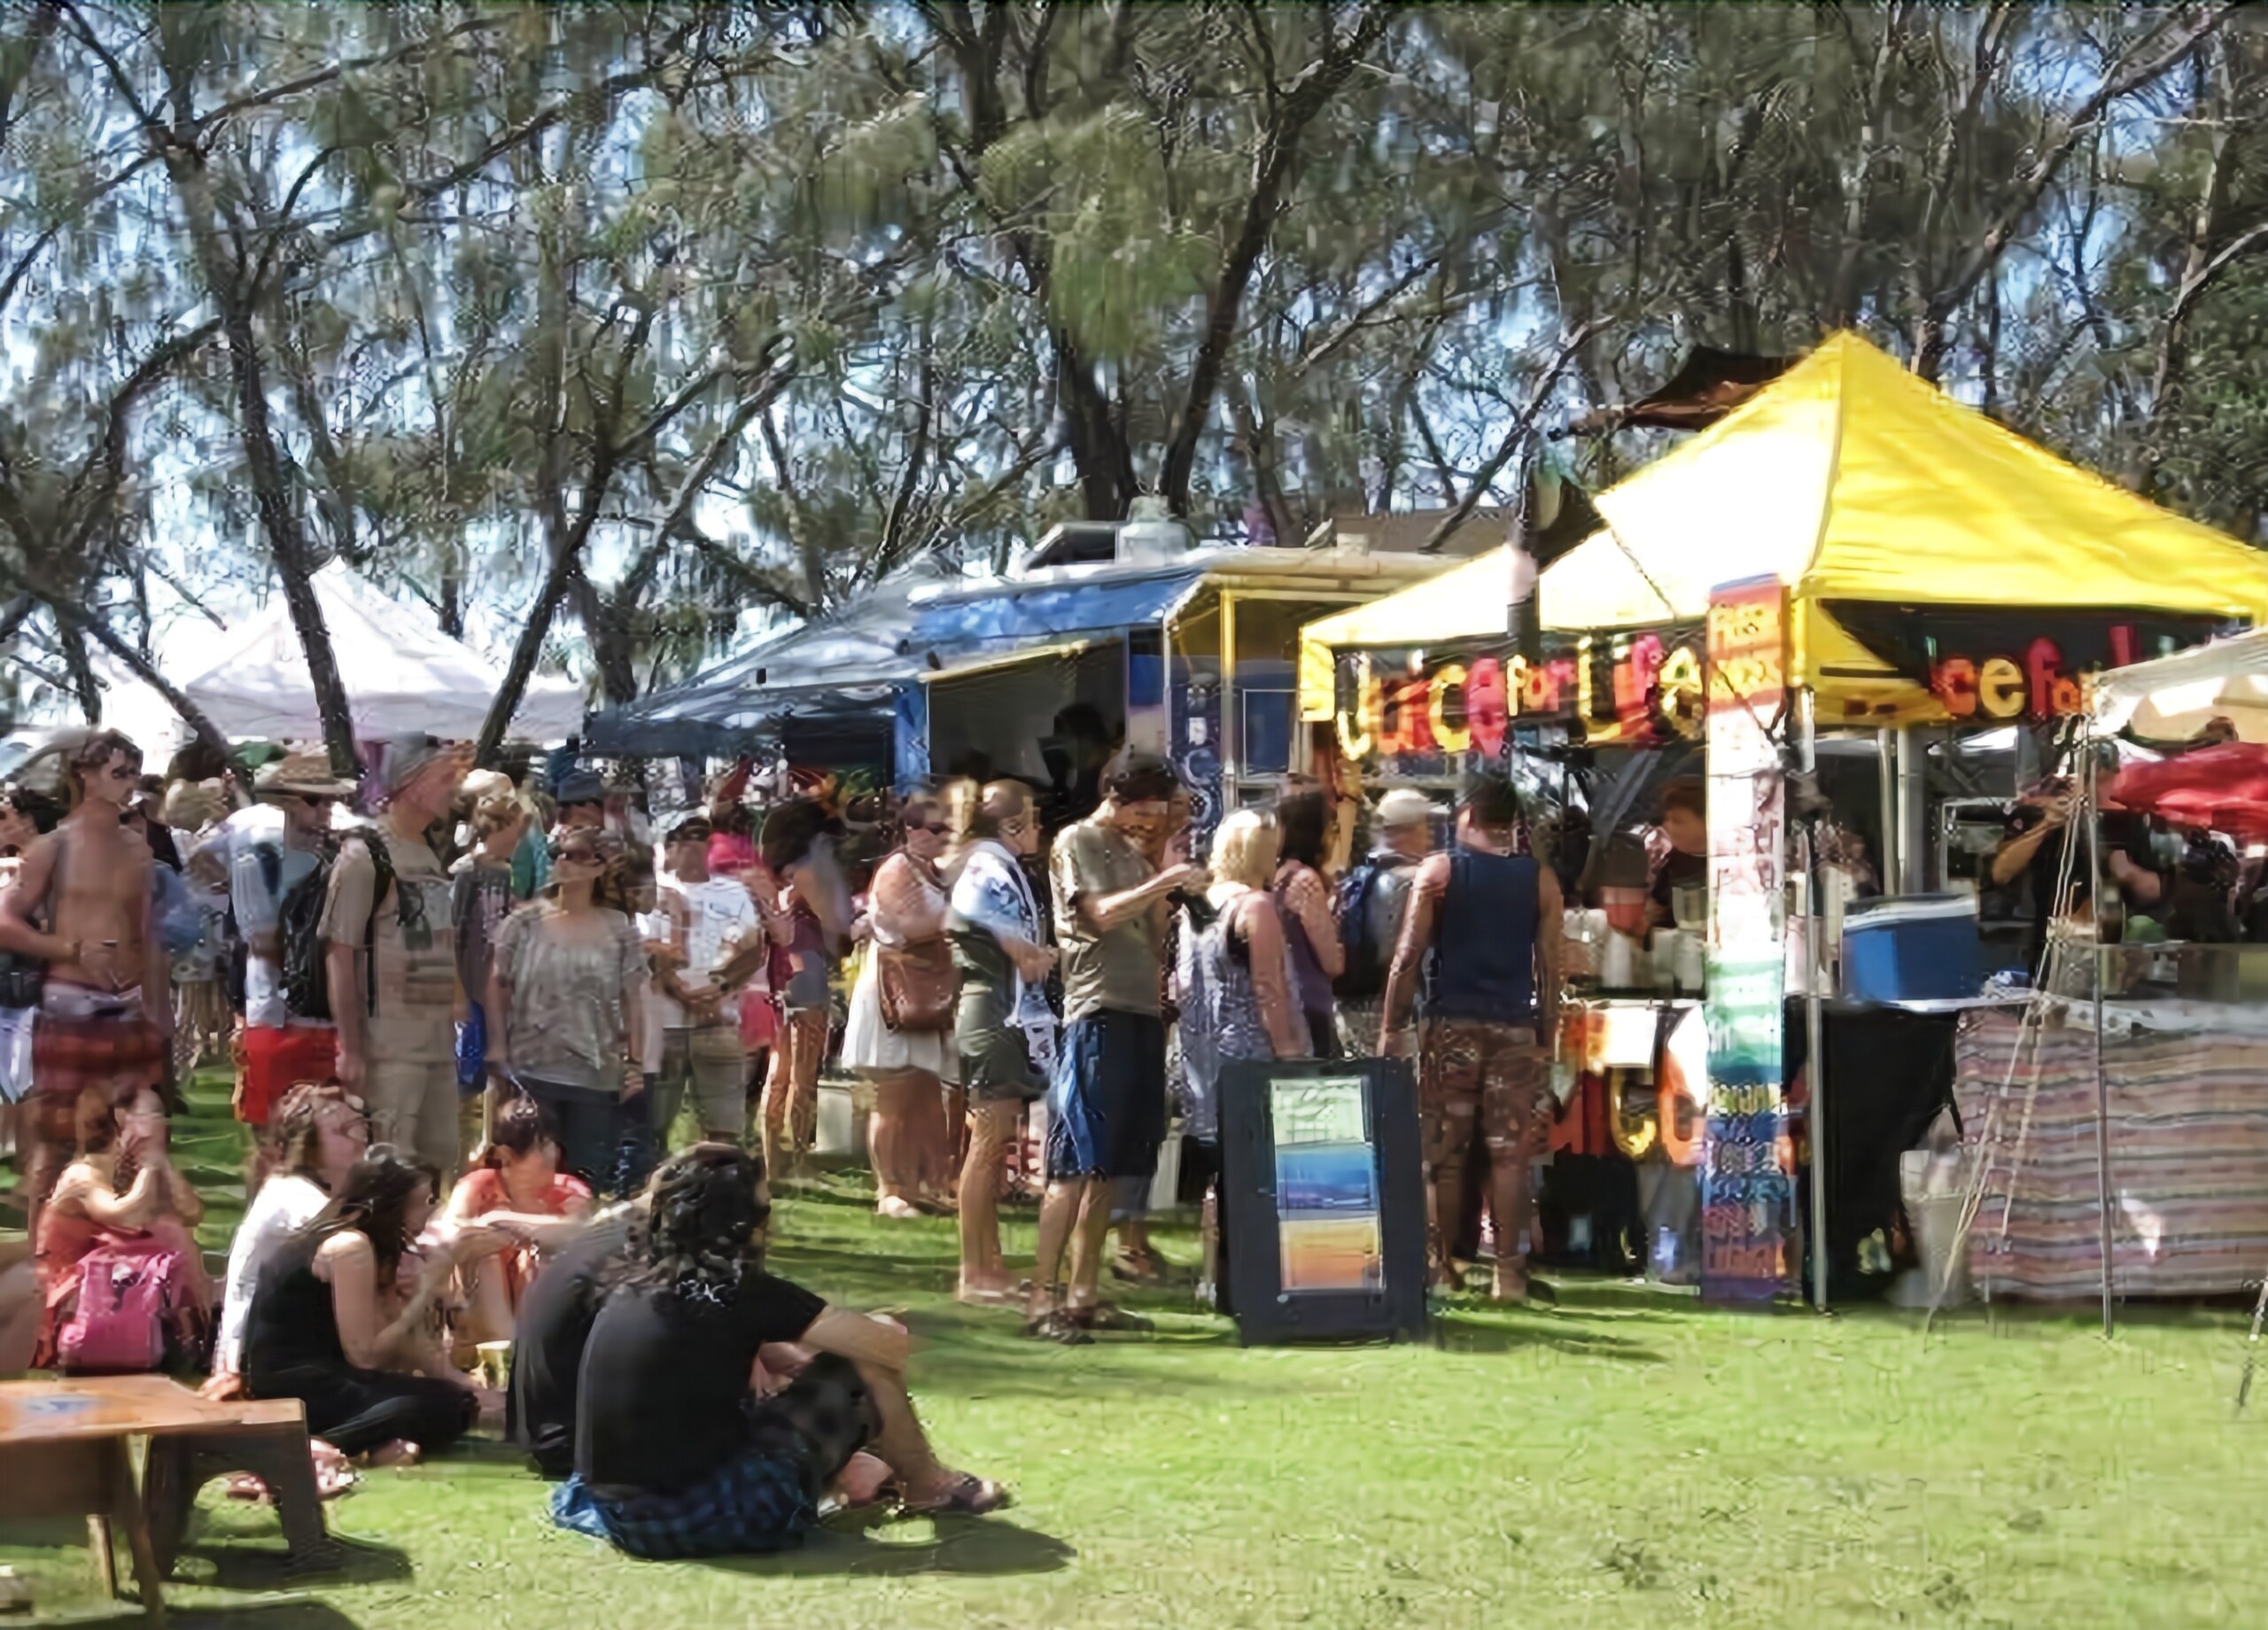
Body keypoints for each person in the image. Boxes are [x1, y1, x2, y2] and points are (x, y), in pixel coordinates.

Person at [552, 1144, 1006, 1557]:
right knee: (865, 1362)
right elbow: (887, 1345)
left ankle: (879, 1474)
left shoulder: (634, 1285)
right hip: (699, 1516)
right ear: (744, 1222)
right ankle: (927, 1485)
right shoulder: (742, 1292)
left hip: (619, 1516)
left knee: (797, 1385)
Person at [1025, 757, 1199, 1342]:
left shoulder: (1131, 851)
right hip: (1095, 1015)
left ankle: (1084, 1293)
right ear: (1132, 799)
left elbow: (1148, 936)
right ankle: (1041, 1299)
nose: (1162, 815)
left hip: (1140, 1014)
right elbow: (1096, 917)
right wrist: (1162, 880)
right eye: (1159, 804)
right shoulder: (1077, 840)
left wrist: (1163, 877)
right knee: (1074, 1164)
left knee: (1111, 1168)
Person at [1381, 772, 1564, 1302]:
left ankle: (1442, 1267)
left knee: (1445, 1153)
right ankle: (1509, 1274)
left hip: (1451, 1024)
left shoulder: (1439, 872)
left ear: (1467, 816)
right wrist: (1545, 1036)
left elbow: (1406, 958)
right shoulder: (1540, 881)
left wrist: (1392, 1027)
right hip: (1515, 1029)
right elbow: (1550, 970)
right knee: (1510, 1156)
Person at [0, 729, 170, 1237]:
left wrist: (159, 1012)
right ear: (85, 775)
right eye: (118, 772)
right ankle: (41, 1264)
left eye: (133, 773)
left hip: (127, 1009)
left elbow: (148, 934)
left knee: (136, 1139)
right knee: (55, 1141)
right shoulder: (55, 845)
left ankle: (115, 1255)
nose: (128, 783)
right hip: (69, 1004)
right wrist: (72, 949)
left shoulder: (137, 847)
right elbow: (6, 920)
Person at [241, 1147, 493, 1464]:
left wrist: (465, 1383)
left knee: (454, 1400)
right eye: (425, 1202)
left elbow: (397, 1344)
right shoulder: (350, 1247)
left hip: (329, 1374)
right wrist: (426, 1291)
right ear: (391, 1204)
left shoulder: (374, 1246)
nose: (431, 1213)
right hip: (294, 1383)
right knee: (445, 1404)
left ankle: (372, 1444)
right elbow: (366, 1357)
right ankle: (316, 1447)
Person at [1174, 811, 1310, 1308]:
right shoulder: (1257, 908)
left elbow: (1182, 984)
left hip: (1205, 1058)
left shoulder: (1196, 907)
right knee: (1260, 1174)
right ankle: (1256, 1279)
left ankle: (1214, 1278)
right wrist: (1290, 1052)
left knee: (1219, 1174)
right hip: (1254, 1054)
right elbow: (1270, 989)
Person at [324, 735, 471, 1177]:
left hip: (436, 1042)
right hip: (388, 1046)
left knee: (440, 1157)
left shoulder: (427, 852)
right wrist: (350, 1048)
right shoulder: (365, 855)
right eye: (445, 778)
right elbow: (340, 953)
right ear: (411, 783)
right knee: (389, 1165)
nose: (454, 789)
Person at [485, 827, 649, 1190]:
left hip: (596, 1072)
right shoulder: (522, 922)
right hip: (531, 1068)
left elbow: (633, 999)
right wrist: (497, 1045)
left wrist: (635, 1063)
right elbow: (497, 984)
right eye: (559, 852)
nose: (563, 861)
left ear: (599, 868)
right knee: (526, 1174)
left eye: (576, 855)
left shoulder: (619, 928)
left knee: (583, 1181)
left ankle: (572, 1245)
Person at [947, 780, 1057, 1301]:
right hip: (995, 1011)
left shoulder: (993, 865)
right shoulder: (988, 870)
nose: (1038, 829)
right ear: (1012, 826)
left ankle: (988, 1266)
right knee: (988, 1144)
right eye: (1033, 819)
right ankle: (974, 1271)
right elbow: (1015, 950)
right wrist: (1041, 953)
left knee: (993, 1142)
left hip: (998, 1009)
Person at [230, 754, 358, 1162]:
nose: (324, 811)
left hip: (330, 1019)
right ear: (285, 802)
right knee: (271, 1144)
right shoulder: (258, 860)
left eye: (328, 801)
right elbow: (260, 939)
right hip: (276, 1016)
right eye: (312, 800)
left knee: (331, 1147)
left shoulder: (342, 862)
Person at [33, 1086, 214, 1369]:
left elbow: (192, 1212)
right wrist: (151, 1168)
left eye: (160, 1115)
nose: (158, 1124)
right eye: (148, 1115)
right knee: (166, 1234)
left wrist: (161, 1164)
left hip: (107, 1292)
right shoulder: (81, 1174)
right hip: (64, 1300)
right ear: (121, 1120)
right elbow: (127, 1216)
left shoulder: (127, 1169)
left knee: (172, 1231)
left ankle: (193, 1336)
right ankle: (192, 1337)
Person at [208, 1082, 371, 1394]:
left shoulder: (331, 1193)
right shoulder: (292, 1193)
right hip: (253, 1367)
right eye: (341, 1131)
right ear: (308, 1146)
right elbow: (355, 1247)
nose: (358, 1140)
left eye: (360, 1128)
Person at [842, 790, 959, 1220]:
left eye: (950, 828)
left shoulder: (932, 870)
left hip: (927, 989)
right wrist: (965, 915)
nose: (945, 836)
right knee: (894, 1096)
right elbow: (910, 927)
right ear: (911, 831)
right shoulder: (895, 870)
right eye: (936, 829)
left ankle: (924, 1185)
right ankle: (889, 1190)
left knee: (926, 1094)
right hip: (896, 991)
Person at [441, 1093, 594, 1343]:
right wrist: (500, 1236)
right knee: (485, 1256)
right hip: (476, 1301)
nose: (552, 1153)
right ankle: (506, 1347)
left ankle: (531, 1346)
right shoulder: (478, 1187)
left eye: (551, 1143)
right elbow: (452, 1233)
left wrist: (504, 1221)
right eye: (541, 1145)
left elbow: (581, 1232)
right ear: (506, 1156)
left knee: (542, 1258)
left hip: (535, 1299)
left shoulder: (569, 1190)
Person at [650, 811, 761, 1150]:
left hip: (719, 1022)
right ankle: (652, 1194)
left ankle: (720, 1192)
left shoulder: (732, 892)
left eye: (700, 835)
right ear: (667, 844)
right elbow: (640, 950)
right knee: (652, 1126)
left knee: (724, 1129)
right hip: (662, 1023)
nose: (692, 843)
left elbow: (753, 951)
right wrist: (681, 992)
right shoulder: (651, 892)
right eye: (683, 835)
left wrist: (720, 988)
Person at [759, 799, 851, 1183]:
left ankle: (771, 1160)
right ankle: (798, 1158)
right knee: (803, 1072)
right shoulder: (807, 873)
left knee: (778, 1071)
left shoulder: (776, 877)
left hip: (780, 975)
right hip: (808, 974)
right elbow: (834, 922)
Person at [451, 789, 527, 1149]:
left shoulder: (503, 871)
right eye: (516, 829)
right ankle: (460, 1145)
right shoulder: (468, 871)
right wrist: (459, 991)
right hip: (471, 983)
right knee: (467, 1072)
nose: (520, 838)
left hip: (496, 984)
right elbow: (456, 929)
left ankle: (490, 1144)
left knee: (499, 1070)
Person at [1335, 788, 1435, 1057]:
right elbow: (1403, 958)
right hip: (1393, 1015)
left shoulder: (1362, 876)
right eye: (1424, 826)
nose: (1429, 835)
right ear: (1405, 831)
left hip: (1352, 1010)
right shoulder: (1412, 882)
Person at [1272, 786, 1345, 1059]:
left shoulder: (1275, 875)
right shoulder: (1305, 881)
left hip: (1284, 999)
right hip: (1310, 1001)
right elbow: (1331, 962)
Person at [1648, 777, 1708, 929]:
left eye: (1677, 821)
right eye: (1666, 819)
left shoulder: (1723, 866)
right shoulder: (1671, 861)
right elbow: (1659, 904)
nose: (1666, 826)